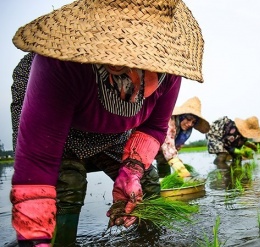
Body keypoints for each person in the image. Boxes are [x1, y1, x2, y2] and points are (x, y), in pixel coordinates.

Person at [9, 0, 204, 246]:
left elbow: (153, 127)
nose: (134, 87)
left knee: (145, 183)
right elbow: (37, 165)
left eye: (146, 68)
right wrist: (34, 237)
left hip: (113, 131)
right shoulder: (59, 65)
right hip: (57, 122)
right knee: (68, 185)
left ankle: (151, 240)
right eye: (122, 67)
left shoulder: (170, 71)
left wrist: (131, 172)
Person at [155, 96, 210, 178]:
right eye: (188, 119)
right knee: (144, 170)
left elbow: (174, 149)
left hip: (162, 150)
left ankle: (163, 181)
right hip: (148, 143)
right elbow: (169, 146)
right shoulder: (170, 120)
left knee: (163, 162)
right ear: (182, 116)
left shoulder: (186, 131)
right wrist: (183, 173)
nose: (190, 124)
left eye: (193, 122)